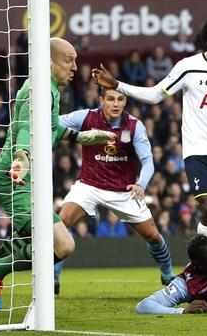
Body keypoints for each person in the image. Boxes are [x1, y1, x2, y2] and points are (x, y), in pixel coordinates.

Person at [92, 18, 207, 246]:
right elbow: (155, 94)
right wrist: (117, 84)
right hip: (198, 152)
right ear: (206, 40)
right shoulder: (188, 66)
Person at [0, 38, 115, 310]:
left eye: (75, 61)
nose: (74, 67)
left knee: (55, 244)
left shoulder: (50, 91)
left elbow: (51, 127)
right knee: (59, 246)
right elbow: (26, 127)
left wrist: (83, 137)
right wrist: (22, 158)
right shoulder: (39, 90)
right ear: (49, 62)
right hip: (15, 178)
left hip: (28, 179)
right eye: (68, 60)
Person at [53, 87, 175, 295]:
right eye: (110, 99)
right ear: (101, 100)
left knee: (153, 237)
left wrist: (141, 185)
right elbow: (54, 122)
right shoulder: (86, 117)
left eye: (120, 99)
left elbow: (148, 162)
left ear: (125, 102)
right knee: (62, 222)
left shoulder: (134, 126)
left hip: (123, 190)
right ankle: (53, 277)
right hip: (89, 185)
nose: (116, 103)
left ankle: (167, 274)